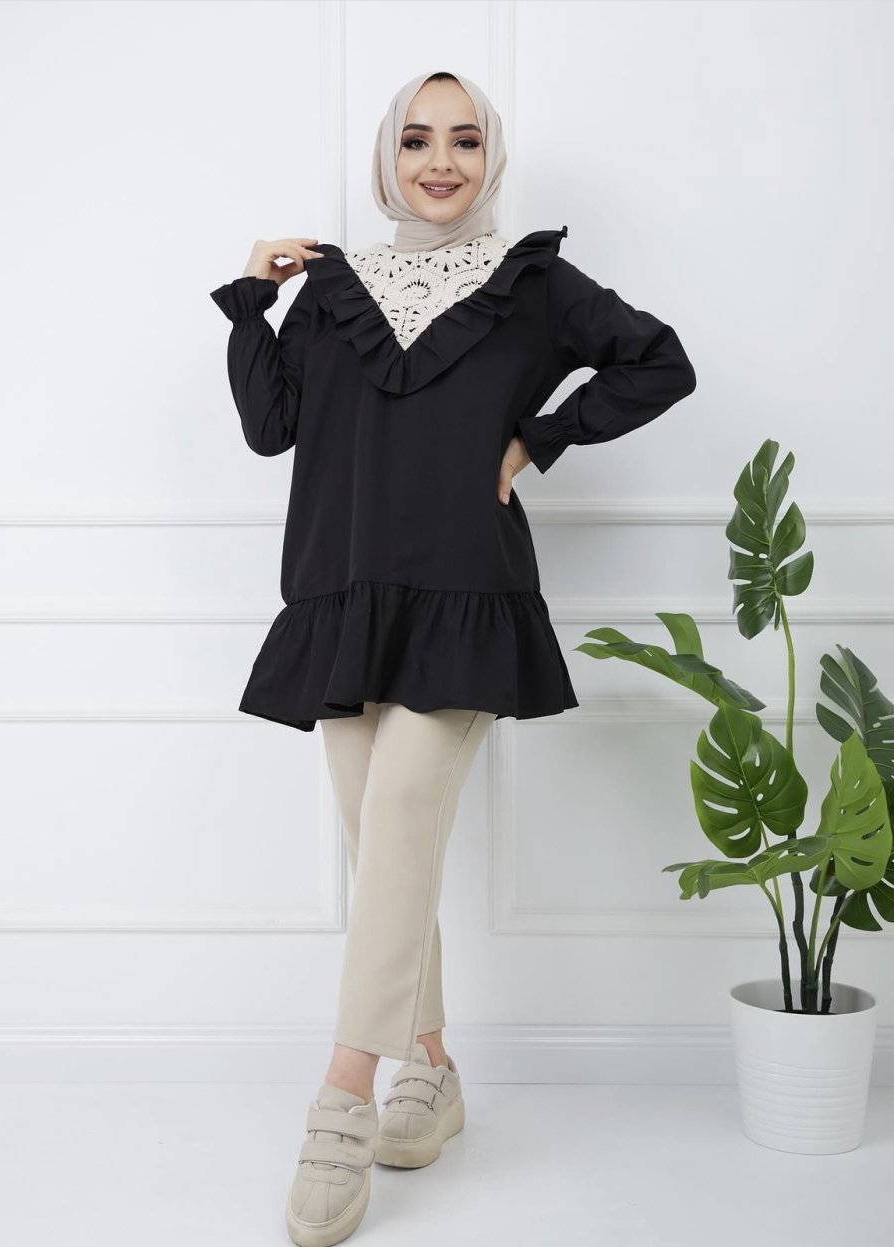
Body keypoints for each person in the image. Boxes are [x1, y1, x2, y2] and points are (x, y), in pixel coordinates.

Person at [210, 69, 696, 1247]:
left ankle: (343, 1096)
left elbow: (658, 360)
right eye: (418, 140)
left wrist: (537, 437)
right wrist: (252, 305)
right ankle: (429, 1065)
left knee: (398, 826)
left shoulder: (532, 283)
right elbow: (272, 428)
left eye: (465, 140)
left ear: (490, 157)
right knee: (387, 847)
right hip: (341, 592)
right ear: (389, 157)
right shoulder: (331, 290)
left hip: (468, 594)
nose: (441, 162)